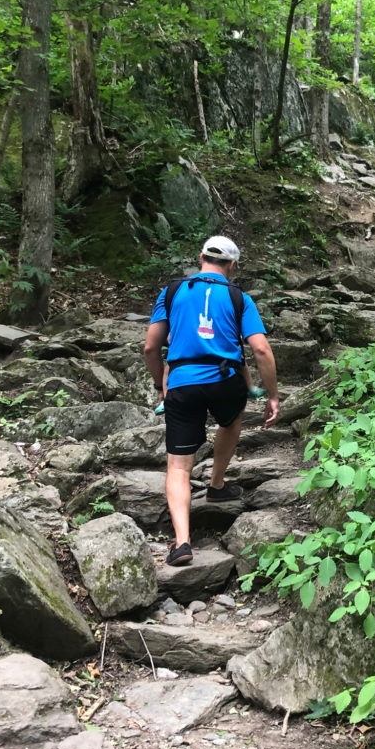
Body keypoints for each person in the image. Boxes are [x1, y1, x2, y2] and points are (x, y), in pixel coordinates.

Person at [144, 236, 280, 566]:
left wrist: (160, 384)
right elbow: (260, 349)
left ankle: (181, 542)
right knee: (230, 420)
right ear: (232, 265)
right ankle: (217, 483)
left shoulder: (172, 292)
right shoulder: (239, 297)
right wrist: (272, 395)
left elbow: (150, 347)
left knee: (178, 465)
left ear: (201, 256)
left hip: (183, 382)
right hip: (226, 382)